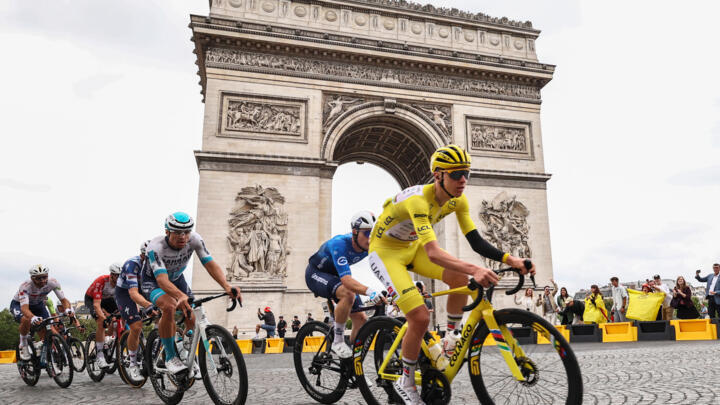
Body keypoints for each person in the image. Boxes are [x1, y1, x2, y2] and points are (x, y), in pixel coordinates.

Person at [367, 144, 535, 404]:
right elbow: (434, 253)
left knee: (459, 278)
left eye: (466, 173)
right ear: (438, 175)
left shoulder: (459, 199)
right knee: (420, 317)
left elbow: (476, 241)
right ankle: (406, 380)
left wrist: (511, 259)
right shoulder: (418, 201)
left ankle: (451, 335)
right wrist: (476, 268)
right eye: (456, 174)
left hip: (412, 248)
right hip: (386, 252)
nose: (463, 180)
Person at [142, 212, 240, 375]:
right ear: (167, 232)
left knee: (192, 315)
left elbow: (209, 264)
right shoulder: (155, 247)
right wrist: (179, 296)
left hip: (177, 279)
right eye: (177, 233)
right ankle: (170, 357)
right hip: (153, 281)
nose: (183, 237)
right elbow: (161, 280)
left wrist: (227, 286)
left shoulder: (195, 239)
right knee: (169, 305)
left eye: (187, 232)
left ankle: (185, 350)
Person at [305, 210, 382, 358]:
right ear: (355, 232)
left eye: (373, 233)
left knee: (361, 319)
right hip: (316, 274)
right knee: (348, 293)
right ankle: (338, 340)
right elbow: (347, 281)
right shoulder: (339, 244)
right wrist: (371, 291)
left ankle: (354, 365)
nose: (370, 238)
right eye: (366, 233)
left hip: (335, 276)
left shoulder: (369, 246)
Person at [10, 265, 74, 360]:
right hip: (19, 305)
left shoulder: (53, 282)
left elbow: (64, 300)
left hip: (38, 305)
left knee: (48, 327)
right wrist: (33, 317)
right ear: (32, 278)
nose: (43, 280)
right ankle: (23, 344)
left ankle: (44, 349)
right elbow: (24, 309)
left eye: (45, 277)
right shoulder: (25, 287)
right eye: (39, 278)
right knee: (26, 319)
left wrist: (68, 309)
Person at [116, 240, 156, 380]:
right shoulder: (132, 264)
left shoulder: (157, 263)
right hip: (125, 293)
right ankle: (133, 364)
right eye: (149, 259)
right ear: (143, 256)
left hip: (143, 289)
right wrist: (148, 306)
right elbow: (133, 294)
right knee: (136, 326)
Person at [85, 263, 122, 368]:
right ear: (112, 275)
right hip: (92, 300)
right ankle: (100, 355)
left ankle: (109, 339)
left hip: (108, 299)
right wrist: (103, 317)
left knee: (120, 316)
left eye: (121, 275)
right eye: (117, 275)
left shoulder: (122, 283)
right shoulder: (101, 281)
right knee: (102, 322)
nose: (119, 278)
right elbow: (97, 305)